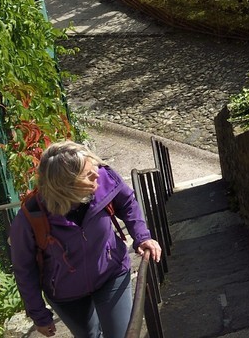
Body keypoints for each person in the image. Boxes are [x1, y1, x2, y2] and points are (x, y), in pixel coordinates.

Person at [9, 141, 162, 338]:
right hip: (66, 293)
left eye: (94, 168)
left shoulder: (104, 178)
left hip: (111, 273)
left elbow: (127, 203)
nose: (97, 174)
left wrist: (142, 237)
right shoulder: (31, 216)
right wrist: (39, 315)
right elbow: (24, 268)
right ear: (66, 185)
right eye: (87, 174)